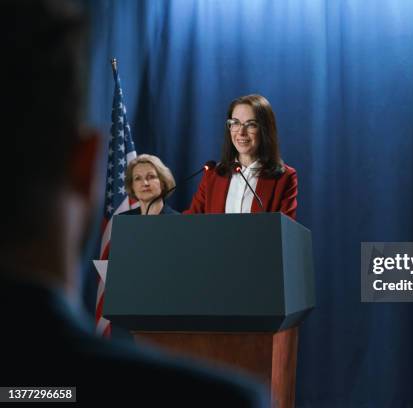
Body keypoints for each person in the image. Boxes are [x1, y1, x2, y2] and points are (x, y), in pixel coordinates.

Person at [0, 0, 266, 405]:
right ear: (88, 170)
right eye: (136, 178)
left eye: (148, 178)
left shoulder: (187, 220)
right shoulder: (214, 401)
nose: (141, 184)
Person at [185, 94, 298, 219]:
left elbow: (285, 232)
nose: (241, 132)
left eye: (251, 124)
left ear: (265, 130)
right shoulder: (212, 175)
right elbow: (189, 223)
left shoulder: (285, 178)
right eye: (235, 123)